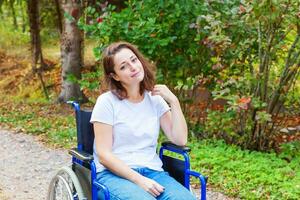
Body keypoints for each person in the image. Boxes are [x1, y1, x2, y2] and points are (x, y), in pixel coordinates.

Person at [90, 41, 196, 200]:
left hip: (153, 172)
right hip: (114, 175)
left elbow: (180, 139)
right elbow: (104, 155)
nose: (133, 67)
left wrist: (174, 101)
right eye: (123, 66)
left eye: (134, 60)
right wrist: (139, 180)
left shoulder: (155, 100)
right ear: (115, 76)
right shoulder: (107, 102)